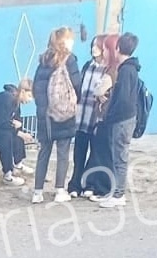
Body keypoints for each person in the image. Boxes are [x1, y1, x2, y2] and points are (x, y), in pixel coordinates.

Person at [31, 26, 82, 204]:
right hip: (64, 114)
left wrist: (42, 107)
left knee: (43, 152)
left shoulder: (43, 60)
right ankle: (60, 190)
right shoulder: (70, 60)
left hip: (45, 115)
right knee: (62, 153)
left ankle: (37, 192)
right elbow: (77, 84)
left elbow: (36, 87)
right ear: (64, 41)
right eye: (70, 38)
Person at [96, 32, 141, 209]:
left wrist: (111, 115)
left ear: (117, 48)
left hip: (122, 120)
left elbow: (122, 99)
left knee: (120, 158)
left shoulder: (126, 70)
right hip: (125, 119)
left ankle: (118, 194)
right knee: (117, 157)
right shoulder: (130, 69)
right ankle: (116, 192)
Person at [70, 34, 118, 198]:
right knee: (79, 152)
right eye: (92, 46)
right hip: (82, 115)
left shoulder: (109, 69)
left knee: (96, 154)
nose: (93, 49)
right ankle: (74, 184)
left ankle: (90, 184)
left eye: (98, 46)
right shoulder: (87, 66)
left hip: (97, 117)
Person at [0, 79, 33, 184]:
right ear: (22, 92)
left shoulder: (16, 101)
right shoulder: (7, 98)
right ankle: (7, 174)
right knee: (6, 136)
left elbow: (15, 121)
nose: (30, 100)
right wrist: (16, 129)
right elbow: (3, 123)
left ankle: (18, 163)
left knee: (16, 133)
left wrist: (19, 129)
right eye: (29, 96)